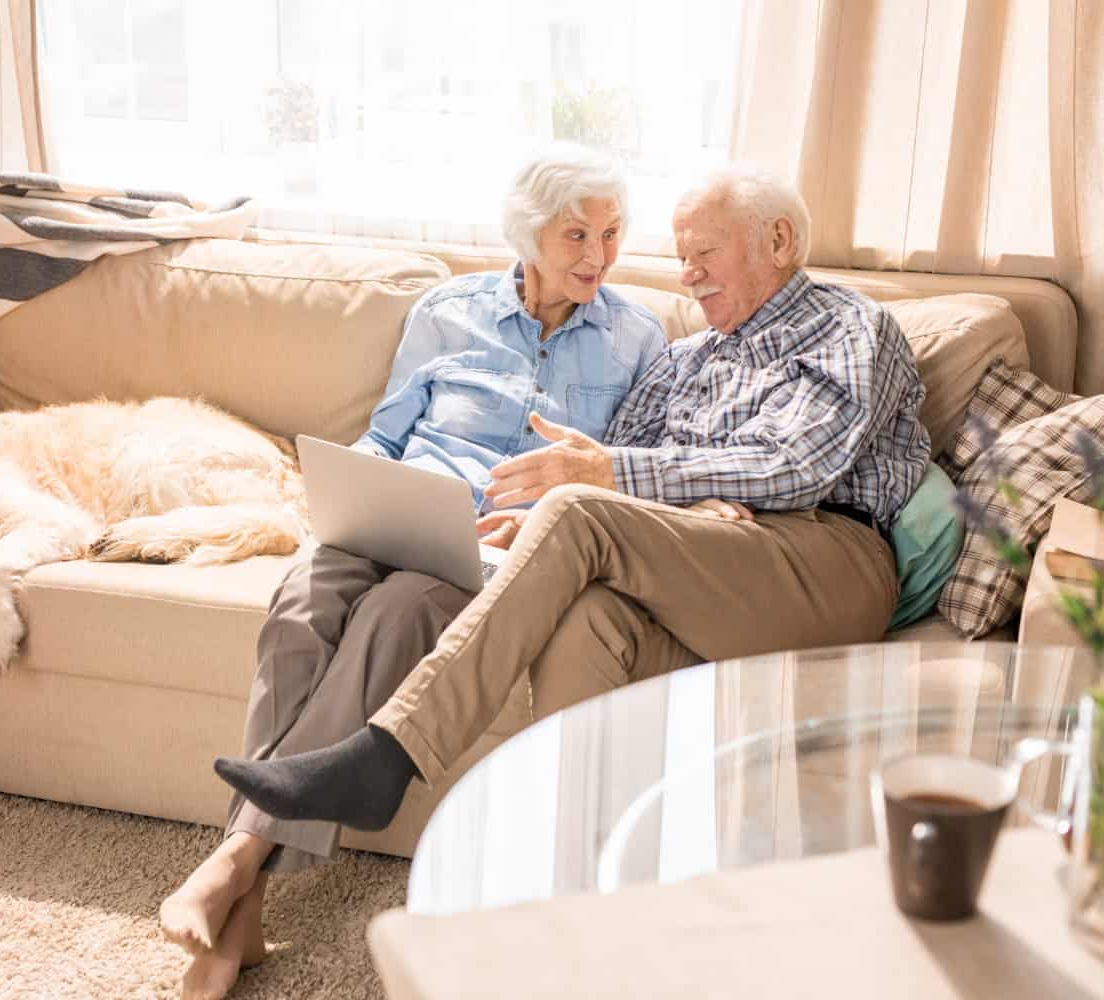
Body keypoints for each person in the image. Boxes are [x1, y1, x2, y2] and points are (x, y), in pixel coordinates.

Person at [215, 164, 931, 841]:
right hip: (710, 561)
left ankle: (389, 754)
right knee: (584, 619)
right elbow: (619, 484)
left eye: (705, 252)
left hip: (826, 559)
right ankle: (566, 866)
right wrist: (662, 513)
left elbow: (792, 467)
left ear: (777, 240)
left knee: (578, 509)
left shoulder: (848, 326)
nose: (687, 274)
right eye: (681, 256)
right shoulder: (686, 358)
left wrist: (616, 483)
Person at [156, 143, 666, 999]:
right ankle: (243, 895)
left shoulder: (638, 338)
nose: (597, 256)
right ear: (527, 232)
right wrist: (351, 488)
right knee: (298, 606)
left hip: (498, 545)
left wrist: (550, 504)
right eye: (576, 234)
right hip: (395, 512)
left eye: (613, 235)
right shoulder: (446, 311)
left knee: (398, 617)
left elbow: (622, 476)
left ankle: (238, 867)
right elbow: (386, 434)